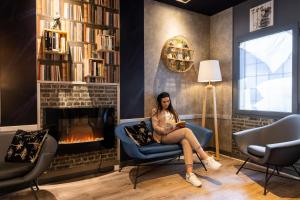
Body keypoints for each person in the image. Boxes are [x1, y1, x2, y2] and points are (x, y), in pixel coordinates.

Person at [151, 92, 222, 187]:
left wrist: (178, 125)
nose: (166, 103)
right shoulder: (155, 111)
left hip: (175, 133)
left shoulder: (173, 111)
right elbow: (155, 127)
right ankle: (205, 158)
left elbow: (178, 123)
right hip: (164, 136)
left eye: (168, 101)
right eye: (164, 102)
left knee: (186, 141)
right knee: (186, 131)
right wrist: (164, 130)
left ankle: (189, 174)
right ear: (160, 102)